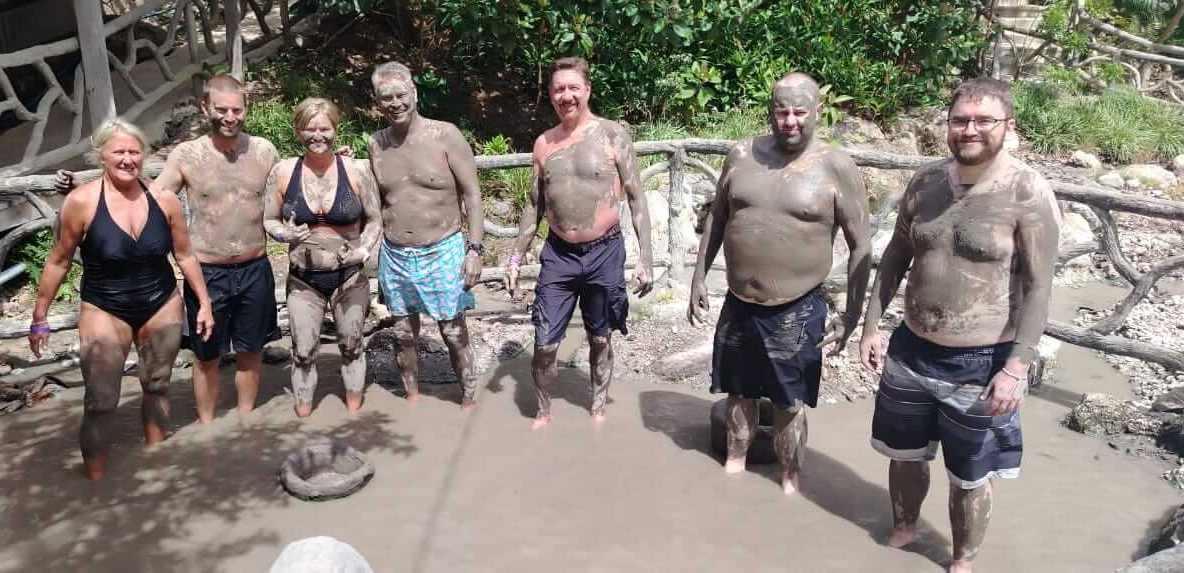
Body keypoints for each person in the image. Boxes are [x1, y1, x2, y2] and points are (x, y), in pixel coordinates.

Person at [858, 78, 1060, 573]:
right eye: (960, 120)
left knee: (970, 475)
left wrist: (1016, 367)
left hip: (982, 361)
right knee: (904, 455)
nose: (969, 130)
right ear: (947, 125)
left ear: (1007, 126)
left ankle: (962, 558)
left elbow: (1039, 286)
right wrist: (871, 326)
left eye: (983, 120)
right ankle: (904, 528)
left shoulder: (1027, 191)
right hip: (911, 350)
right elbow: (895, 257)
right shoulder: (925, 182)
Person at [688, 72, 872, 492]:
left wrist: (852, 316)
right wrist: (699, 276)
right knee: (738, 393)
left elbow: (861, 244)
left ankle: (790, 481)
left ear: (818, 113)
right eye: (781, 111)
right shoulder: (741, 155)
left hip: (797, 307)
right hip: (739, 302)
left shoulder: (835, 166)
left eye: (799, 112)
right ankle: (734, 467)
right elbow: (718, 217)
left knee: (789, 404)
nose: (790, 121)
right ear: (771, 112)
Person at [29, 118, 214, 480]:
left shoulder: (164, 200)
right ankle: (95, 485)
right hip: (104, 307)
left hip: (161, 303)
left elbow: (185, 254)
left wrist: (204, 303)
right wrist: (40, 317)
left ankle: (156, 464)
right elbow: (58, 261)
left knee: (157, 385)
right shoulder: (80, 202)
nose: (128, 159)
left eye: (134, 151)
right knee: (100, 401)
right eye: (119, 152)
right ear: (101, 156)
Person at [505, 57, 653, 429]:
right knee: (544, 343)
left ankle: (597, 407)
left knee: (600, 338)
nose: (566, 95)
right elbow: (534, 205)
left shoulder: (613, 135)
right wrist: (515, 259)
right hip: (559, 255)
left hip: (604, 252)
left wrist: (645, 258)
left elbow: (637, 198)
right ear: (550, 95)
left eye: (573, 87)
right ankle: (543, 411)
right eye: (559, 89)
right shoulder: (544, 144)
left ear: (587, 89)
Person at [149, 74, 282, 423]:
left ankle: (244, 422)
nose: (229, 117)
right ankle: (208, 427)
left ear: (246, 108)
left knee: (252, 351)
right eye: (221, 110)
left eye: (236, 110)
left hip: (255, 267)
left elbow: (291, 187)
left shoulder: (264, 151)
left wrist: (341, 162)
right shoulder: (187, 155)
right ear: (205, 107)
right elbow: (153, 200)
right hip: (206, 273)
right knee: (206, 355)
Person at [367, 62, 484, 409]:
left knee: (453, 331)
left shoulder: (445, 136)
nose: (395, 103)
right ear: (377, 102)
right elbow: (374, 198)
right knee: (403, 333)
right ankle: (412, 400)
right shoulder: (376, 144)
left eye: (401, 94)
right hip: (395, 254)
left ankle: (469, 400)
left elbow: (473, 196)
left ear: (415, 94)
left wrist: (475, 250)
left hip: (443, 248)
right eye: (386, 98)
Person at [264, 98, 381, 417]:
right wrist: (284, 235)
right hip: (304, 281)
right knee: (302, 352)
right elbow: (269, 219)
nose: (318, 135)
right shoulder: (283, 171)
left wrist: (363, 250)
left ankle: (355, 417)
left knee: (351, 345)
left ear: (335, 129)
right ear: (298, 131)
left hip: (350, 278)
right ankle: (303, 417)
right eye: (310, 129)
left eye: (324, 129)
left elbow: (375, 220)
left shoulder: (357, 170)